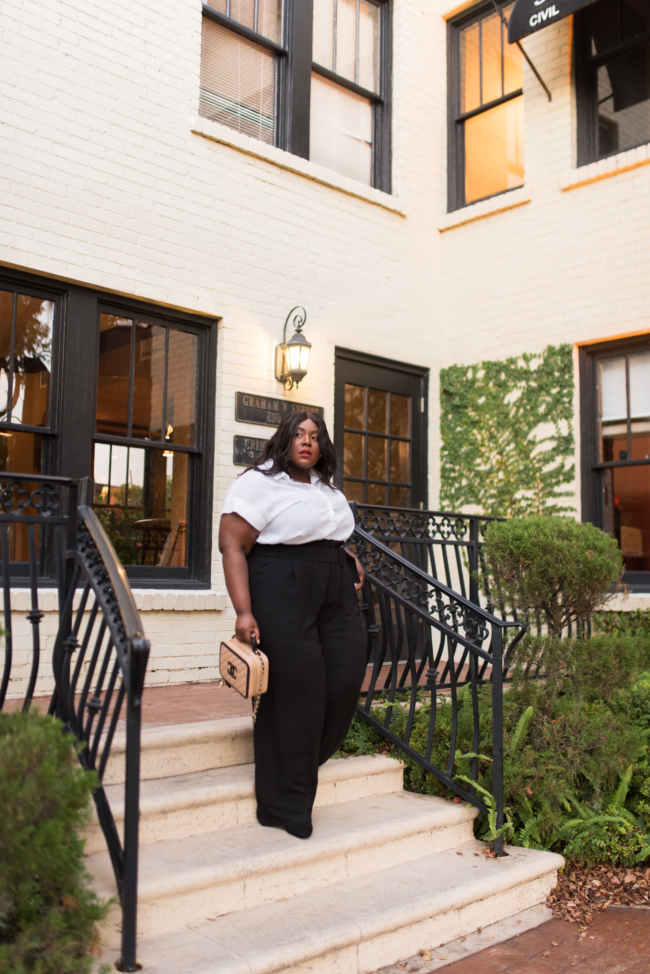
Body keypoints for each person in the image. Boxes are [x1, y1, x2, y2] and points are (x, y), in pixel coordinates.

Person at [218, 411, 366, 840]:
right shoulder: (258, 482)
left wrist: (344, 555)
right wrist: (244, 612)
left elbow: (326, 533)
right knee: (298, 693)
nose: (307, 442)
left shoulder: (324, 486)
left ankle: (294, 761)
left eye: (315, 437)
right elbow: (232, 546)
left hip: (332, 589)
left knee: (344, 676)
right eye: (299, 434)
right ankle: (287, 804)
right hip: (280, 585)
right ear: (284, 438)